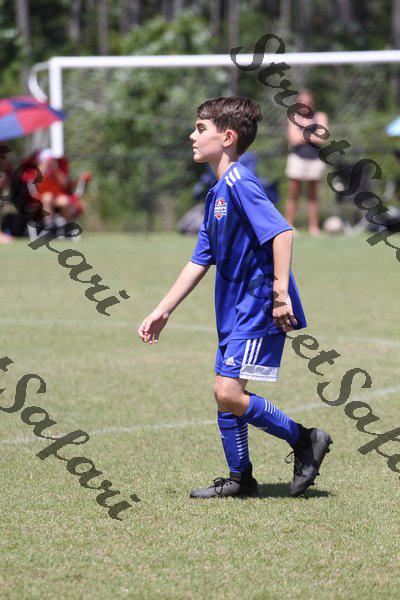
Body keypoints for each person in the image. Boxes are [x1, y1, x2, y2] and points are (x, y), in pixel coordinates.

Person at [138, 96, 332, 499]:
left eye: (200, 129)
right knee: (225, 394)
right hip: (232, 309)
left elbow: (282, 232)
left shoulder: (241, 182)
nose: (192, 136)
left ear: (227, 137)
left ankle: (304, 439)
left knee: (228, 393)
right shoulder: (217, 193)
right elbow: (199, 260)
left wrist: (280, 294)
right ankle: (240, 478)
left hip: (258, 307)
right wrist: (163, 310)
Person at [285, 90, 328, 236]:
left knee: (313, 195)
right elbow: (293, 139)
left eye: (308, 101)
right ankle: (289, 226)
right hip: (297, 158)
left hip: (315, 159)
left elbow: (323, 138)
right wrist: (312, 135)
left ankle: (314, 227)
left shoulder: (320, 116)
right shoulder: (293, 117)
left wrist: (302, 134)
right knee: (293, 193)